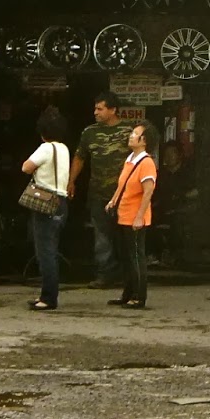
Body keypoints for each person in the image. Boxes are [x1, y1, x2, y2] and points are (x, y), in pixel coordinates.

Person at [66, 92, 133, 287]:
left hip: (123, 194)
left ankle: (128, 275)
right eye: (95, 108)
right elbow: (80, 157)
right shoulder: (89, 132)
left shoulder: (129, 132)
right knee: (101, 236)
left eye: (100, 109)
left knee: (125, 235)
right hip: (97, 193)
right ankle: (105, 274)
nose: (95, 112)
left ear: (113, 110)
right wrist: (71, 181)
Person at [20, 106, 70, 311]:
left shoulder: (46, 148)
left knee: (45, 253)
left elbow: (26, 167)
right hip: (61, 203)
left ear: (43, 132)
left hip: (45, 203)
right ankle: (48, 294)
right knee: (52, 250)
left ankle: (48, 298)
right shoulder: (64, 149)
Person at [104, 122, 157, 310]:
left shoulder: (147, 163)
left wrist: (139, 217)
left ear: (144, 141)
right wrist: (113, 200)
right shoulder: (130, 159)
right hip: (123, 215)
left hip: (135, 217)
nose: (131, 136)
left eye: (135, 134)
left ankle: (139, 295)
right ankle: (127, 293)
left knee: (136, 257)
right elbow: (122, 184)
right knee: (125, 257)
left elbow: (148, 192)